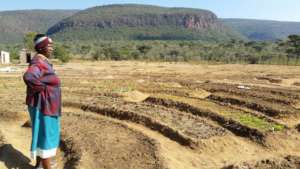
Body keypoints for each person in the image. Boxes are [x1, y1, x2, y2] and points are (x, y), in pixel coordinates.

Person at [23, 34, 61, 169]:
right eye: (49, 45)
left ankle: (39, 164)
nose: (52, 48)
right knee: (46, 136)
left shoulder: (42, 61)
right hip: (43, 105)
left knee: (42, 133)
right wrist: (44, 90)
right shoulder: (38, 63)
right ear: (41, 47)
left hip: (46, 105)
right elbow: (29, 76)